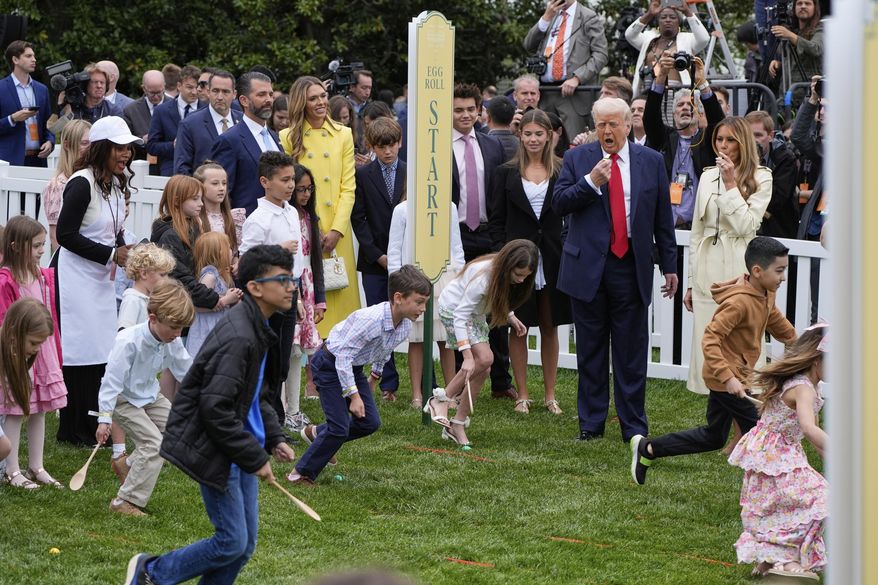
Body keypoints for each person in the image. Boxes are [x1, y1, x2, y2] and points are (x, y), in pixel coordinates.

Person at [123, 245, 297, 584]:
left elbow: (254, 391)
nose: (291, 287)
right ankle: (151, 573)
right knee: (231, 540)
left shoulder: (257, 326)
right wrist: (251, 456)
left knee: (242, 547)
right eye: (282, 279)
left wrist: (273, 436)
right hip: (220, 449)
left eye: (291, 279)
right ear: (255, 288)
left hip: (241, 447)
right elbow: (214, 408)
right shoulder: (239, 337)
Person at [553, 97, 677, 443]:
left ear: (627, 124)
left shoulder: (650, 161)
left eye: (613, 124)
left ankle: (633, 426)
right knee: (590, 350)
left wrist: (670, 266)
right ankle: (591, 424)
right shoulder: (578, 158)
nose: (607, 131)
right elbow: (559, 203)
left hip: (630, 266)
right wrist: (591, 182)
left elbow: (662, 218)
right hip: (588, 267)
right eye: (601, 124)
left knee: (631, 353)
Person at [630, 237, 797, 484]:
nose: (783, 277)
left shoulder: (765, 292)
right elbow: (710, 339)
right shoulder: (739, 303)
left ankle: (649, 448)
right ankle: (779, 485)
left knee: (714, 436)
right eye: (779, 271)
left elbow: (775, 320)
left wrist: (800, 345)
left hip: (739, 374)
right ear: (757, 271)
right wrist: (728, 378)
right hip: (725, 378)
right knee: (762, 429)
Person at [287, 265, 431, 486]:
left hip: (352, 367)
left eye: (425, 303)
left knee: (370, 422)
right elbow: (342, 356)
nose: (423, 308)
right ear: (399, 298)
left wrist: (373, 378)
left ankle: (316, 434)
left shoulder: (404, 326)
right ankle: (300, 473)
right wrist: (353, 395)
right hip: (329, 365)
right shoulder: (371, 320)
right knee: (339, 427)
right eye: (419, 302)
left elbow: (384, 350)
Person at [54, 116, 141, 446]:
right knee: (80, 352)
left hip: (101, 278)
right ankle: (73, 429)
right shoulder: (82, 183)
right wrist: (111, 254)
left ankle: (95, 424)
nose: (126, 154)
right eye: (119, 148)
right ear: (103, 149)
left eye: (128, 148)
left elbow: (114, 229)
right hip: (75, 278)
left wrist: (124, 248)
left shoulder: (117, 184)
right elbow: (64, 235)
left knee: (102, 349)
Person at [728, 324, 827, 579]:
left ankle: (767, 561)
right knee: (821, 499)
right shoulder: (803, 388)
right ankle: (786, 560)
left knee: (777, 508)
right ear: (817, 360)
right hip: (776, 456)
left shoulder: (806, 385)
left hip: (773, 454)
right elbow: (808, 427)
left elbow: (811, 434)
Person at [488, 110, 570, 415]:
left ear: (550, 135)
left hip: (552, 258)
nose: (533, 139)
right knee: (519, 328)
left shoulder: (563, 169)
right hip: (516, 262)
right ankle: (522, 394)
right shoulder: (504, 173)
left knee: (550, 326)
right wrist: (502, 258)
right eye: (528, 133)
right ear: (519, 135)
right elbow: (496, 221)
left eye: (539, 133)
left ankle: (550, 395)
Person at [684, 117, 772, 395]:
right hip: (706, 268)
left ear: (743, 142)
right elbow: (697, 231)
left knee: (740, 344)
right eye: (719, 139)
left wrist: (731, 182)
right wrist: (690, 280)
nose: (723, 145)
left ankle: (743, 424)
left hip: (741, 265)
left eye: (730, 139)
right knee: (709, 345)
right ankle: (718, 424)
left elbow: (747, 225)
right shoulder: (708, 175)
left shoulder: (762, 176)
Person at [426, 240, 538, 447]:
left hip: (474, 314)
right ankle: (440, 400)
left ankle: (457, 424)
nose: (522, 280)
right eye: (519, 275)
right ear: (508, 266)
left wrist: (510, 316)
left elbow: (497, 295)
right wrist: (467, 356)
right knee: (485, 359)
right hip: (454, 309)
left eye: (526, 276)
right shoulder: (484, 278)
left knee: (484, 368)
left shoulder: (501, 273)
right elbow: (460, 315)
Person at [95, 280, 194, 516]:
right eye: (174, 327)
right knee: (153, 445)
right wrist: (104, 418)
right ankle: (124, 502)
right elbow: (110, 383)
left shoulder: (172, 340)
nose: (178, 333)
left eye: (182, 328)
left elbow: (186, 370)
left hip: (150, 395)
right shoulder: (128, 341)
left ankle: (127, 464)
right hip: (123, 399)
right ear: (153, 318)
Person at [281, 76, 361, 339]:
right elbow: (288, 188)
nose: (320, 102)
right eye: (313, 98)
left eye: (322, 96)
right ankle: (313, 374)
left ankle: (344, 365)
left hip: (338, 233)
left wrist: (337, 229)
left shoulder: (344, 135)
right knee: (310, 298)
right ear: (301, 102)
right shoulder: (288, 137)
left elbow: (347, 187)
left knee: (341, 305)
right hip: (304, 227)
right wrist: (311, 228)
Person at [450, 82, 515, 401]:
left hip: (489, 234)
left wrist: (500, 239)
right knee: (456, 307)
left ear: (480, 111)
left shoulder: (491, 146)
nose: (464, 115)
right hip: (456, 234)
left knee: (496, 307)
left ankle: (501, 382)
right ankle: (456, 378)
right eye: (458, 110)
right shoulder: (439, 146)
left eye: (470, 110)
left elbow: (500, 194)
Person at [240, 151, 305, 424]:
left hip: (290, 292)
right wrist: (276, 250)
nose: (290, 185)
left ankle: (276, 417)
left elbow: (298, 263)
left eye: (292, 179)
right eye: (284, 180)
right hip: (268, 298)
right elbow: (246, 261)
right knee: (269, 359)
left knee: (282, 360)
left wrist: (298, 295)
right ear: (265, 181)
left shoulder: (290, 211)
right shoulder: (259, 219)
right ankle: (267, 418)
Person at [0, 218, 66, 488]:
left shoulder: (41, 275)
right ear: (16, 246)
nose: (42, 250)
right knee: (16, 409)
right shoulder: (6, 280)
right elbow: (6, 322)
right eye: (36, 245)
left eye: (42, 244)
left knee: (40, 409)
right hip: (19, 353)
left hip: (43, 350)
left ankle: (36, 466)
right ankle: (12, 470)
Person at [387, 187, 465, 409]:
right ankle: (416, 396)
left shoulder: (448, 207)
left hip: (444, 276)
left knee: (446, 340)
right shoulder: (402, 210)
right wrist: (397, 281)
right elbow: (394, 250)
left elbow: (456, 247)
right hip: (412, 278)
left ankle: (449, 394)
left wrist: (457, 278)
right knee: (417, 340)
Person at [351, 117, 405, 401]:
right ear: (372, 146)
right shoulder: (362, 175)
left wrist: (399, 255)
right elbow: (358, 218)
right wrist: (377, 254)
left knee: (405, 318)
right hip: (374, 260)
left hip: (405, 258)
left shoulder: (411, 173)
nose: (387, 152)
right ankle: (386, 382)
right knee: (379, 320)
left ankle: (415, 383)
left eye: (392, 145)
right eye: (381, 146)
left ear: (400, 143)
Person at [644, 55, 725, 230]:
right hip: (665, 226)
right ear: (673, 114)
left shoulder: (707, 139)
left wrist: (702, 83)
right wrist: (660, 78)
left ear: (699, 113)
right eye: (680, 105)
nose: (686, 108)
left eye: (691, 104)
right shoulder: (665, 138)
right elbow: (650, 118)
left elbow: (718, 122)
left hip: (699, 226)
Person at [523, 0, 609, 140]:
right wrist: (545, 18)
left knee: (574, 143)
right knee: (543, 143)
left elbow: (601, 54)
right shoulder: (550, 16)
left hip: (573, 93)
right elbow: (529, 46)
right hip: (546, 92)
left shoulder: (588, 16)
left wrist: (577, 78)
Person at [284, 164, 326, 431]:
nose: (306, 194)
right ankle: (282, 409)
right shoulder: (286, 217)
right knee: (286, 348)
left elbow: (317, 262)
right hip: (290, 286)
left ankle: (294, 408)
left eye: (309, 189)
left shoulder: (310, 218)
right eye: (301, 189)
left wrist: (319, 298)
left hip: (308, 288)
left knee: (298, 352)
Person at [0, 298, 55, 485]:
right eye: (33, 343)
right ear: (15, 332)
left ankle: (35, 468)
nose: (37, 349)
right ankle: (11, 470)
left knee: (32, 410)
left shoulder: (21, 353)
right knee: (7, 435)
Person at [211, 71, 282, 215]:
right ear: (244, 100)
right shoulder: (229, 140)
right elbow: (223, 194)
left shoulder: (275, 137)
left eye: (270, 94)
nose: (268, 100)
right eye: (261, 95)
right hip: (246, 228)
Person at [625, 0, 710, 96]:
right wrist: (649, 14)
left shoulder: (687, 39)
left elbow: (704, 39)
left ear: (679, 22)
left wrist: (687, 12)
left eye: (673, 17)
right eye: (663, 17)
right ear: (658, 22)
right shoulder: (648, 38)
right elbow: (629, 35)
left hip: (677, 93)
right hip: (648, 91)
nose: (668, 20)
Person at [174, 70, 243, 176]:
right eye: (215, 91)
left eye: (225, 92)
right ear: (208, 92)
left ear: (234, 94)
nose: (220, 97)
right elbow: (182, 169)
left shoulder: (243, 120)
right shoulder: (190, 124)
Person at [0, 41, 54, 169]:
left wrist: (50, 141)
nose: (34, 60)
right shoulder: (1, 88)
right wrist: (12, 119)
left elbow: (48, 123)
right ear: (15, 59)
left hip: (38, 159)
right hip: (10, 160)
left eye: (34, 56)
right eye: (28, 56)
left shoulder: (42, 89)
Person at [746, 110, 799, 239]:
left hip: (776, 231)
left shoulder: (785, 159)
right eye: (749, 135)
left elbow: (776, 198)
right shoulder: (737, 155)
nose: (753, 140)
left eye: (758, 135)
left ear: (771, 135)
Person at [186, 232, 238, 358]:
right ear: (219, 253)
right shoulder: (210, 277)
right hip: (206, 328)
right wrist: (226, 300)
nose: (231, 251)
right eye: (228, 248)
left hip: (218, 326)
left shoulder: (221, 275)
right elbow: (196, 306)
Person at [41, 120, 91, 252]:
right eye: (84, 143)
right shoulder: (57, 185)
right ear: (67, 145)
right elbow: (55, 237)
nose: (90, 148)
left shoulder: (95, 179)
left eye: (93, 143)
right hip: (72, 262)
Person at [148, 65, 204, 176]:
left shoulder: (207, 109)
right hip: (171, 170)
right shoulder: (161, 111)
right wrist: (173, 145)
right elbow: (151, 146)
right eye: (189, 87)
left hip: (201, 171)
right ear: (179, 86)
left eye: (196, 87)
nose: (194, 92)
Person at [118, 242, 175, 330]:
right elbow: (124, 333)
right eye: (162, 275)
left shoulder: (149, 298)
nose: (167, 280)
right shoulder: (132, 300)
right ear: (144, 273)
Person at [768, 0, 823, 91]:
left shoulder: (821, 28)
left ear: (815, 8)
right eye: (799, 3)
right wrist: (779, 64)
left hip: (809, 95)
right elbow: (795, 63)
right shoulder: (793, 30)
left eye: (807, 3)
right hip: (787, 93)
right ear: (794, 8)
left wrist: (790, 35)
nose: (803, 6)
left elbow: (815, 49)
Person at [194, 160, 246, 255]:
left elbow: (238, 252)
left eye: (224, 183)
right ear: (200, 186)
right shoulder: (195, 219)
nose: (222, 188)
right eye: (215, 183)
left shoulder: (234, 217)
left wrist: (237, 261)